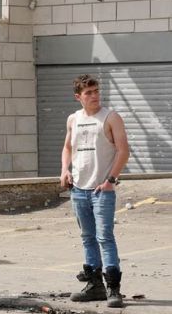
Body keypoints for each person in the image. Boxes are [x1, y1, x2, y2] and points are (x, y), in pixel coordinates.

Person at [60, 74, 129, 308]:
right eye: (89, 93)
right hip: (79, 189)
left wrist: (111, 180)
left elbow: (123, 150)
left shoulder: (111, 117)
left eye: (97, 91)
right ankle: (94, 286)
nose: (94, 96)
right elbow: (68, 147)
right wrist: (64, 170)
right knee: (87, 238)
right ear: (78, 97)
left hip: (102, 190)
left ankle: (113, 289)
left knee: (105, 237)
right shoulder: (73, 119)